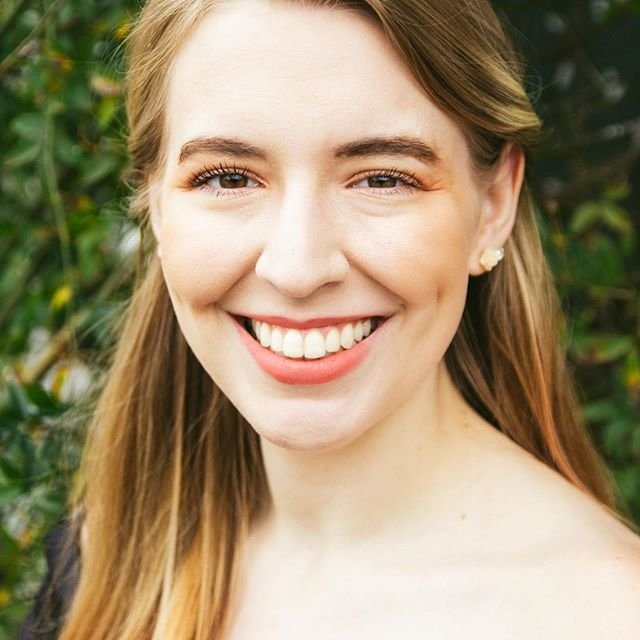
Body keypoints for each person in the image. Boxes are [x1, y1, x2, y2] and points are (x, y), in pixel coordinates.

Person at [21, 0, 640, 638]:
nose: (298, 268)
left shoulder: (606, 616)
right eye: (228, 178)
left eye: (382, 179)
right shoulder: (104, 569)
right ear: (155, 203)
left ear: (494, 205)